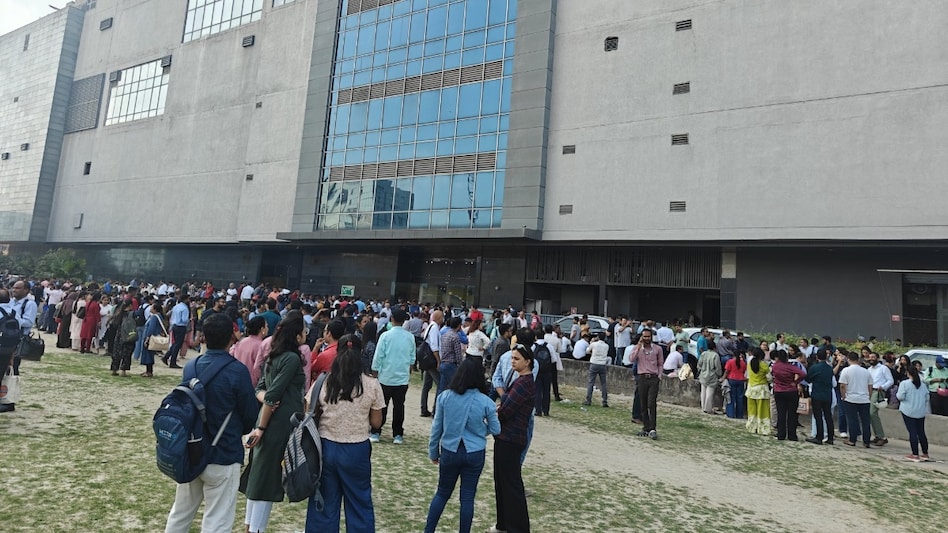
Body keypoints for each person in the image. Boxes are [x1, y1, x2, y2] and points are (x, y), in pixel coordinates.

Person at [164, 313, 259, 533]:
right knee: (218, 520)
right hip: (223, 452)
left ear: (204, 337)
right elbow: (249, 415)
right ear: (231, 339)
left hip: (192, 449)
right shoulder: (238, 371)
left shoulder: (191, 367)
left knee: (181, 513)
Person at [305, 334, 385, 532]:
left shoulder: (325, 381)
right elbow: (376, 422)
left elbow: (309, 409)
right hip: (357, 448)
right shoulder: (372, 384)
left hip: (326, 447)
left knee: (323, 502)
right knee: (359, 502)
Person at [243, 315, 306, 533]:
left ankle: (250, 526)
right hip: (276, 423)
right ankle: (255, 529)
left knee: (260, 472)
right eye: (304, 332)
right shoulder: (291, 359)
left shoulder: (273, 356)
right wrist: (262, 425)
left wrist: (266, 399)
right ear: (296, 335)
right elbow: (271, 394)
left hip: (267, 417)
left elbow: (260, 390)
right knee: (267, 479)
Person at [424, 359, 501, 533]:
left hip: (450, 450)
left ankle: (428, 530)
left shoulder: (445, 396)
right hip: (474, 452)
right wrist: (481, 431)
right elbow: (496, 429)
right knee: (467, 498)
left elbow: (437, 428)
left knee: (442, 493)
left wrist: (433, 452)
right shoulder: (486, 402)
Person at [489, 343, 535, 533]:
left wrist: (496, 412)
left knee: (511, 485)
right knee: (501, 483)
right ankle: (503, 524)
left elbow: (506, 409)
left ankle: (517, 527)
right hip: (505, 437)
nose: (513, 362)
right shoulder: (518, 381)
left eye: (517, 359)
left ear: (528, 362)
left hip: (511, 439)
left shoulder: (525, 383)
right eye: (512, 358)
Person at [371, 309, 416, 445]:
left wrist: (375, 371)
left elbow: (379, 355)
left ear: (392, 319)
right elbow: (412, 359)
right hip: (401, 378)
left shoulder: (385, 336)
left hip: (386, 376)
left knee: (381, 406)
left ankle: (376, 431)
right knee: (399, 407)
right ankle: (397, 434)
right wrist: (408, 372)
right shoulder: (410, 337)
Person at [627, 328, 664, 440]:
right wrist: (638, 347)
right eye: (645, 337)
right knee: (643, 404)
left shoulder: (658, 349)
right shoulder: (637, 349)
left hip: (653, 378)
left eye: (648, 336)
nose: (646, 339)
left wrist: (659, 376)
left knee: (651, 403)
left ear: (651, 337)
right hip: (642, 378)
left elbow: (660, 363)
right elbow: (631, 359)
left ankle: (652, 428)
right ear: (641, 337)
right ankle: (646, 427)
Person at [897, 364, 931, 461]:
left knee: (912, 432)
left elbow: (900, 397)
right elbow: (927, 398)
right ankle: (925, 453)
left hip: (908, 410)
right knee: (921, 432)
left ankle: (915, 454)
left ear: (908, 373)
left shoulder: (904, 383)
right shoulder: (923, 385)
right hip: (920, 411)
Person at [839, 351, 873, 448]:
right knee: (865, 421)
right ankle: (866, 441)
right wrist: (869, 396)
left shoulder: (846, 370)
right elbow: (870, 386)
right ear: (858, 360)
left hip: (851, 398)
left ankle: (852, 439)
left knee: (852, 419)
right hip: (864, 398)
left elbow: (842, 385)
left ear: (848, 360)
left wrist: (843, 396)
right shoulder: (866, 371)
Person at [771, 349, 806, 441]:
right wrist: (795, 382)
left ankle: (781, 434)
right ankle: (792, 435)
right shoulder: (790, 366)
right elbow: (802, 373)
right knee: (792, 414)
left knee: (781, 413)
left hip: (779, 390)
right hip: (791, 390)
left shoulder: (775, 366)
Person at [804, 350, 835, 445]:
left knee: (818, 416)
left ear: (817, 357)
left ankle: (819, 437)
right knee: (828, 416)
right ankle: (830, 437)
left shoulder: (815, 367)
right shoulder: (829, 368)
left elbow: (808, 379)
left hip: (817, 394)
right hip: (827, 394)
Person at [229, 316, 268, 387]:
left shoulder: (242, 341)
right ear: (262, 329)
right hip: (251, 383)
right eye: (266, 326)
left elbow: (231, 353)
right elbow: (257, 368)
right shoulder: (261, 345)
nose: (268, 329)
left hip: (236, 379)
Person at [866, 352, 893, 446]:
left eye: (873, 357)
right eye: (870, 357)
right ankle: (877, 435)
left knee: (872, 412)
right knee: (871, 414)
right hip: (869, 391)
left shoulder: (883, 368)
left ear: (877, 358)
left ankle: (882, 436)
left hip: (878, 391)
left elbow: (890, 380)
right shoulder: (869, 369)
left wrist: (883, 386)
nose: (871, 359)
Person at [420, 310, 443, 417]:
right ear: (438, 318)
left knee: (426, 385)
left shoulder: (430, 326)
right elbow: (434, 346)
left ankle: (423, 408)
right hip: (431, 360)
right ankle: (435, 410)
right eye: (442, 317)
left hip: (426, 359)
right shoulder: (434, 328)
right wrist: (438, 360)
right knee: (439, 384)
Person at [745, 348, 771, 435]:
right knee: (763, 410)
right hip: (761, 390)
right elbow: (769, 378)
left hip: (751, 388)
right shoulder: (764, 365)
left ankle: (752, 427)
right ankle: (763, 429)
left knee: (752, 410)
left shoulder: (749, 364)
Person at [109, 301, 136, 377]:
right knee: (126, 353)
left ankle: (114, 369)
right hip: (127, 335)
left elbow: (114, 324)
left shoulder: (119, 314)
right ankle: (123, 371)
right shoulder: (131, 314)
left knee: (117, 353)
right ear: (130, 305)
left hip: (119, 335)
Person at [438, 316, 465, 395]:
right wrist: (460, 365)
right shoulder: (455, 337)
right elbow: (458, 354)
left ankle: (437, 406)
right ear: (459, 325)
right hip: (451, 364)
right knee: (455, 388)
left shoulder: (445, 334)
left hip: (443, 363)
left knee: (441, 389)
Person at [141, 303, 168, 377]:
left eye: (152, 307)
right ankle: (148, 370)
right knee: (150, 354)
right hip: (154, 336)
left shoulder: (154, 317)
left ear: (155, 309)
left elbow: (151, 328)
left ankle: (149, 371)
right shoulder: (159, 316)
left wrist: (147, 338)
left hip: (151, 337)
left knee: (148, 354)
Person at [583, 331, 610, 407]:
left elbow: (587, 351)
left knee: (591, 382)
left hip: (594, 363)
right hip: (602, 364)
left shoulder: (594, 344)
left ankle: (588, 400)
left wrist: (591, 342)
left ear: (598, 337)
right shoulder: (606, 346)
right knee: (603, 383)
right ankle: (604, 401)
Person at [165, 293, 191, 367]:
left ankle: (167, 356)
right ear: (185, 299)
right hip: (181, 326)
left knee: (175, 343)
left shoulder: (176, 306)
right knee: (177, 345)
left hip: (175, 325)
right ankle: (172, 362)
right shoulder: (185, 308)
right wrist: (189, 320)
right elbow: (184, 319)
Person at [697, 340, 722, 414]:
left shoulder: (703, 354)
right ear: (714, 347)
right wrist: (719, 374)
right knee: (710, 393)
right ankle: (707, 408)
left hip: (703, 374)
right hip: (712, 375)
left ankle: (703, 407)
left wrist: (701, 370)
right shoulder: (715, 355)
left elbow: (699, 364)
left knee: (703, 392)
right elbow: (717, 367)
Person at [723, 347, 747, 418]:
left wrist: (723, 378)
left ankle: (730, 413)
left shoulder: (730, 361)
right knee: (739, 398)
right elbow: (743, 371)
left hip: (732, 379)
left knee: (731, 398)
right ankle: (739, 414)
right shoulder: (743, 362)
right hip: (741, 380)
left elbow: (726, 371)